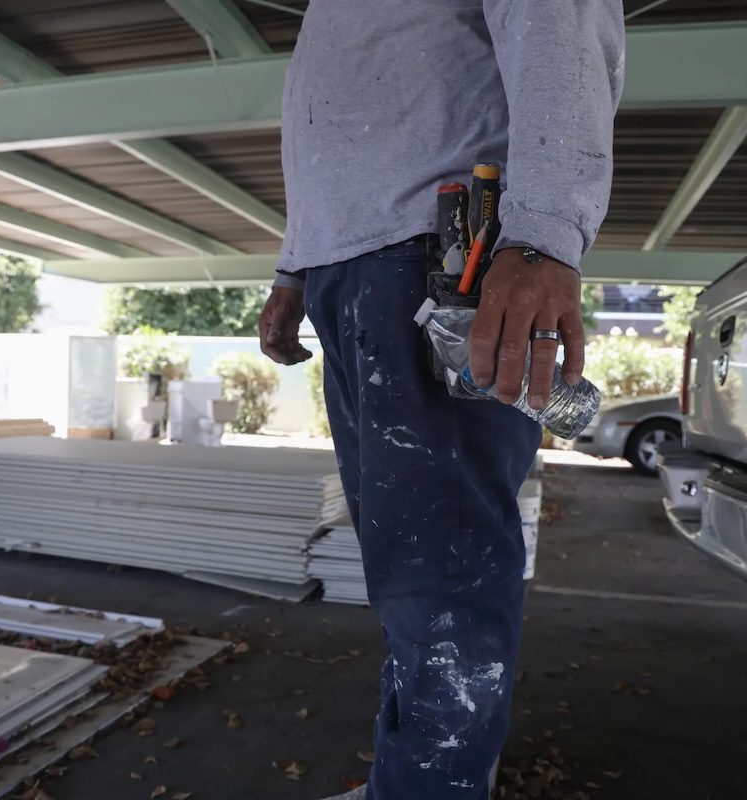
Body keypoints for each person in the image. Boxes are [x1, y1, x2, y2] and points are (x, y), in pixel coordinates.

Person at [258, 3, 624, 798]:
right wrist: (297, 268)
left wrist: (543, 237)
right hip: (355, 267)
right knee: (406, 575)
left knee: (442, 582)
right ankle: (415, 781)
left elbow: (560, 32)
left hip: (439, 260)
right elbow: (330, 113)